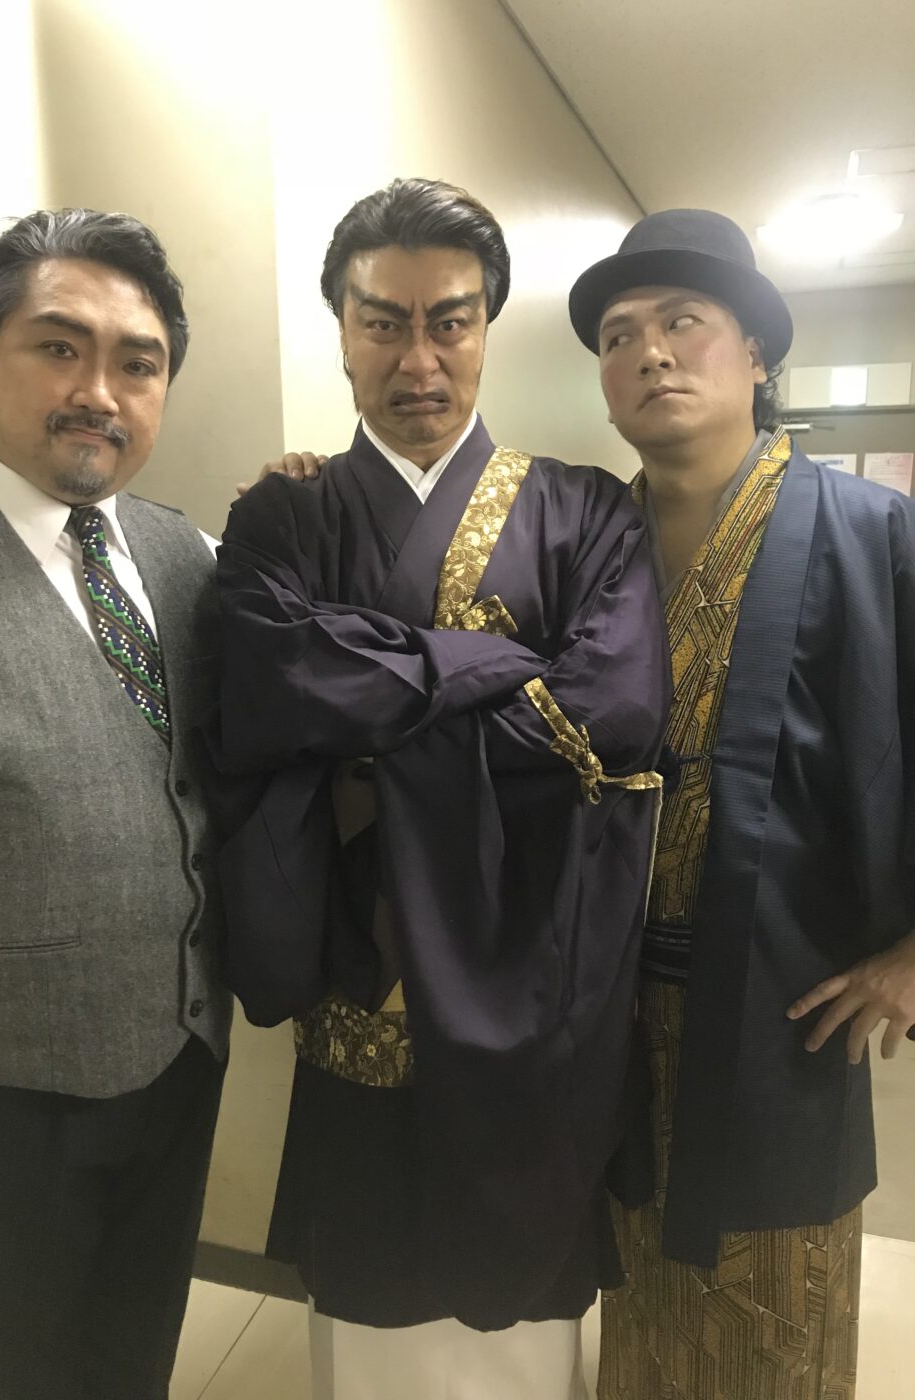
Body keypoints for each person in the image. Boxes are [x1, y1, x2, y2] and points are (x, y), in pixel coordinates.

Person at [208, 177, 671, 1400]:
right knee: (373, 1319)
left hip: (535, 967)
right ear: (342, 329)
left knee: (525, 1333)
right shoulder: (284, 515)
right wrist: (503, 667)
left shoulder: (586, 511)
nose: (418, 360)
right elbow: (267, 687)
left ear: (486, 328)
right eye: (384, 322)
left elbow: (612, 715)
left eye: (450, 322)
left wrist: (365, 730)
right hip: (364, 968)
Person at [0, 209, 233, 1400]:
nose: (98, 392)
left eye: (138, 362)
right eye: (58, 346)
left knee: (132, 1360)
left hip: (176, 1058)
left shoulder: (186, 555)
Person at [566, 207, 915, 1400]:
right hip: (611, 1003)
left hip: (781, 1006)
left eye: (684, 322)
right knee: (640, 1309)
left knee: (776, 1309)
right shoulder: (584, 543)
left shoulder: (873, 533)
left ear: (756, 353)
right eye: (619, 334)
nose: (650, 352)